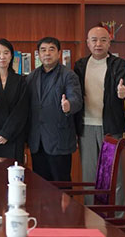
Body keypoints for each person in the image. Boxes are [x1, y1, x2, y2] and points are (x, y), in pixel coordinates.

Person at [73, 25, 125, 206]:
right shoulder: (80, 65)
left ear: (109, 43)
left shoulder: (118, 64)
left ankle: (116, 216)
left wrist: (123, 92)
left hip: (111, 127)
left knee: (114, 175)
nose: (98, 44)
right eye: (94, 40)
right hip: (86, 126)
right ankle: (91, 215)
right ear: (88, 43)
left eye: (103, 40)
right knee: (89, 176)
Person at [27, 36, 83, 182]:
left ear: (59, 53)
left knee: (61, 185)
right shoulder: (31, 77)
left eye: (51, 49)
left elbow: (76, 99)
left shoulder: (68, 75)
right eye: (43, 50)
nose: (47, 53)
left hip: (59, 140)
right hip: (37, 141)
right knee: (40, 185)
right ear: (38, 54)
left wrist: (68, 105)